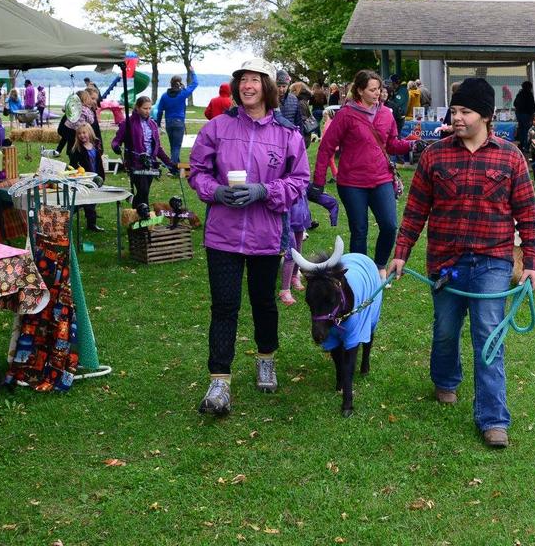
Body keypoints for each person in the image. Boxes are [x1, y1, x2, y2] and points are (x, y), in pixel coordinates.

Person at [386, 77, 535, 450]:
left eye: (464, 111)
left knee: (489, 337)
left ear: (485, 116)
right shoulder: (435, 155)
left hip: (492, 262)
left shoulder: (510, 157)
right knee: (445, 330)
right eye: (454, 110)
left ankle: (493, 419)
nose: (456, 117)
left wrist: (532, 262)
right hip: (446, 262)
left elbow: (528, 213)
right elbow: (415, 211)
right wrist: (401, 252)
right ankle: (445, 379)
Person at [188, 57, 309, 415]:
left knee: (264, 303)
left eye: (255, 79)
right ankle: (219, 380)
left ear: (268, 87)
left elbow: (299, 180)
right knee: (224, 306)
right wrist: (215, 191)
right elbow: (198, 171)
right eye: (243, 79)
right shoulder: (216, 128)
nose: (247, 85)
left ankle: (266, 358)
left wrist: (264, 191)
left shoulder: (287, 134)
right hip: (223, 235)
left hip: (266, 236)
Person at [310, 69, 412, 267]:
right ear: (359, 90)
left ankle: (380, 266)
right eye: (372, 89)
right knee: (360, 230)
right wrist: (319, 182)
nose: (378, 93)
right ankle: (360, 272)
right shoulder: (346, 115)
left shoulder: (386, 114)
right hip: (352, 183)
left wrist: (411, 145)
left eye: (379, 89)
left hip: (381, 179)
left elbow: (391, 144)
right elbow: (326, 148)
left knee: (390, 226)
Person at [111, 96, 176, 208]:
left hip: (150, 164)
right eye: (145, 108)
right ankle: (143, 219)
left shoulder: (153, 124)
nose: (148, 111)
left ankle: (136, 216)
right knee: (143, 191)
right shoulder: (128, 123)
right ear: (137, 107)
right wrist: (116, 147)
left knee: (143, 193)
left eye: (149, 108)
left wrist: (170, 163)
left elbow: (158, 148)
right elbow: (116, 141)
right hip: (135, 163)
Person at [156, 72, 201, 177]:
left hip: (169, 123)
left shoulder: (164, 96)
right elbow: (195, 83)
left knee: (173, 147)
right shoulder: (183, 93)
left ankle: (178, 169)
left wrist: (158, 124)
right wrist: (193, 72)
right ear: (179, 83)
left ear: (170, 83)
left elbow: (159, 111)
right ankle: (172, 169)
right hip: (179, 123)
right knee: (176, 147)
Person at [68, 122, 106, 231]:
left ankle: (91, 223)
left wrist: (102, 176)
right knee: (84, 201)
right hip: (83, 180)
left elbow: (99, 163)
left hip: (95, 178)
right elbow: (72, 165)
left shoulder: (95, 147)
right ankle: (66, 217)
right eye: (79, 134)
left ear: (89, 133)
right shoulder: (77, 149)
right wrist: (77, 171)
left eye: (84, 133)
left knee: (92, 201)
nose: (82, 135)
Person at [513, 80, 535, 153]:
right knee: (527, 130)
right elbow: (532, 106)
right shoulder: (529, 94)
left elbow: (514, 103)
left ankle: (521, 145)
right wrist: (534, 113)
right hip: (526, 115)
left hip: (519, 114)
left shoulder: (519, 94)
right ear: (529, 87)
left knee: (521, 129)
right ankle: (526, 146)